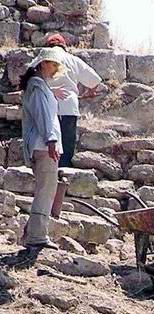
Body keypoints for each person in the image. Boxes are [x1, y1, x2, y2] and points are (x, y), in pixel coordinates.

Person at [20, 48, 66, 251]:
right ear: (42, 64)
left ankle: (30, 234)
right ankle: (37, 237)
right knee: (46, 191)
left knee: (46, 189)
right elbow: (43, 116)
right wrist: (51, 139)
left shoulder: (39, 86)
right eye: (52, 63)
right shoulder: (37, 86)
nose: (55, 68)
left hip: (41, 144)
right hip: (43, 145)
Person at [45, 33, 102, 167]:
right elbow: (95, 80)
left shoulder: (43, 58)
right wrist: (90, 92)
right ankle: (63, 173)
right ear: (64, 47)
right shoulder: (72, 59)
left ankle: (47, 173)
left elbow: (29, 79)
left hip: (46, 105)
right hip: (68, 106)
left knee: (45, 142)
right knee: (66, 143)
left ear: (48, 46)